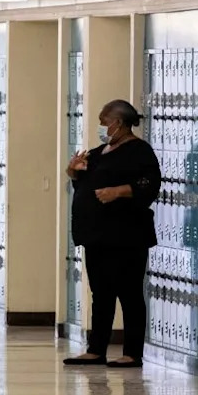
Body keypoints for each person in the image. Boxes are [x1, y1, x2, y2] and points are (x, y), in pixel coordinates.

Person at [63, 99, 161, 368]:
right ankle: (96, 349)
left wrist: (118, 191)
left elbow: (149, 184)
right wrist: (73, 170)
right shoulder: (100, 151)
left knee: (129, 292)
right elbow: (82, 180)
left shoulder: (140, 151)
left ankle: (132, 353)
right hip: (97, 235)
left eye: (104, 121)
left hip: (126, 235)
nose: (101, 126)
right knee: (101, 293)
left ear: (118, 122)